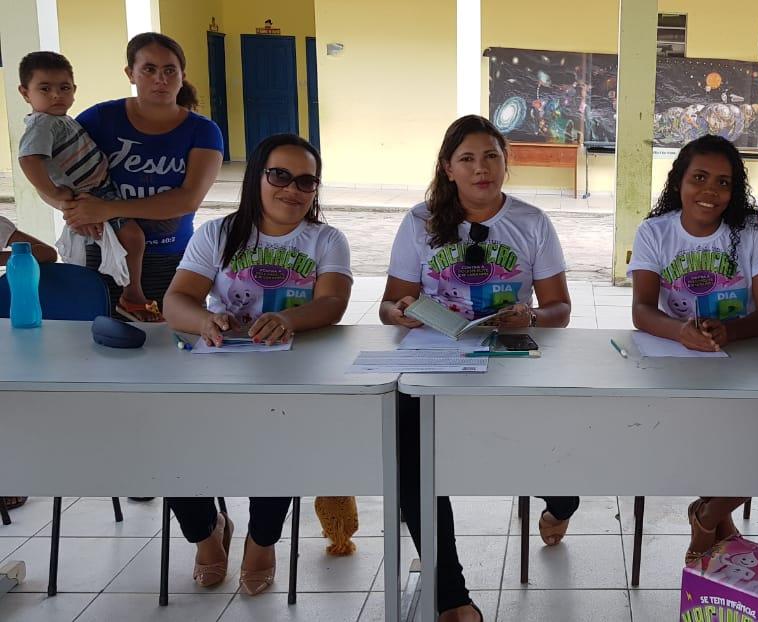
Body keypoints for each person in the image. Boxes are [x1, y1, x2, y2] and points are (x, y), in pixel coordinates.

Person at [381, 114, 574, 622]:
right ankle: (452, 597)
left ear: (506, 164)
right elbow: (389, 304)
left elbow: (560, 309)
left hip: (508, 358)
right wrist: (402, 310)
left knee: (547, 455)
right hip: (435, 360)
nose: (480, 168)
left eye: (491, 156)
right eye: (467, 158)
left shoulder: (531, 222)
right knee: (411, 462)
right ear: (448, 168)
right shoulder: (419, 222)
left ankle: (563, 504)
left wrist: (530, 315)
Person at [162, 134, 351, 593]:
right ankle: (206, 533)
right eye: (280, 176)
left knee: (279, 446)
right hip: (219, 370)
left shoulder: (326, 239)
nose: (293, 189)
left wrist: (288, 319)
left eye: (306, 181)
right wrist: (206, 319)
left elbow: (332, 304)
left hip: (294, 378)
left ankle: (261, 541)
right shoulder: (219, 233)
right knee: (166, 440)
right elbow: (176, 301)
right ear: (257, 178)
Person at [628, 134, 758, 562]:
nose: (710, 192)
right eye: (699, 178)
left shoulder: (752, 233)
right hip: (681, 362)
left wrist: (730, 332)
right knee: (703, 438)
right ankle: (718, 519)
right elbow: (641, 310)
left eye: (723, 182)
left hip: (749, 359)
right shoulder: (655, 232)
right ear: (679, 180)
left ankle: (710, 512)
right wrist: (680, 331)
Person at [55, 32, 222, 323]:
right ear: (130, 73)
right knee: (98, 342)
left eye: (170, 70)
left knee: (169, 346)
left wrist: (108, 209)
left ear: (182, 75)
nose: (161, 78)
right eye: (149, 69)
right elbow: (56, 170)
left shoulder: (203, 131)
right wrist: (68, 207)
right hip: (104, 253)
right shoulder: (99, 119)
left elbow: (187, 198)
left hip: (172, 258)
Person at [15, 51, 154, 320]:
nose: (56, 95)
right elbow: (29, 160)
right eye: (45, 88)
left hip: (100, 191)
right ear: (25, 92)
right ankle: (132, 294)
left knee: (121, 242)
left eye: (64, 88)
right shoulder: (42, 125)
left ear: (74, 90)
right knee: (133, 238)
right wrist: (56, 193)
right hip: (91, 195)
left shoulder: (60, 120)